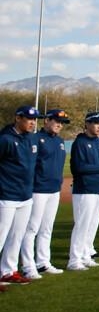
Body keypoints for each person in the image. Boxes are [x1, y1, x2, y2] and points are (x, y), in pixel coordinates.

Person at [20, 109, 69, 279]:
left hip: (54, 190)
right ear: (46, 120)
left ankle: (43, 262)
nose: (59, 125)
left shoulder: (60, 141)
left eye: (61, 123)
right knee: (31, 228)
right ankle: (28, 266)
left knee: (47, 228)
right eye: (56, 121)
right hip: (38, 189)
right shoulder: (35, 139)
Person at [67, 111, 99, 271]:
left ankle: (86, 255)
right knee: (82, 225)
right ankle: (74, 259)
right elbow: (79, 168)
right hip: (84, 189)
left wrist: (98, 169)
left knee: (92, 224)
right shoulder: (80, 142)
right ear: (87, 124)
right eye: (97, 123)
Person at [0, 106, 40, 285]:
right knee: (1, 235)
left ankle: (8, 271)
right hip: (6, 195)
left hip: (25, 196)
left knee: (16, 236)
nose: (32, 123)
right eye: (29, 119)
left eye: (34, 119)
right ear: (18, 118)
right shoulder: (5, 139)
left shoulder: (31, 138)